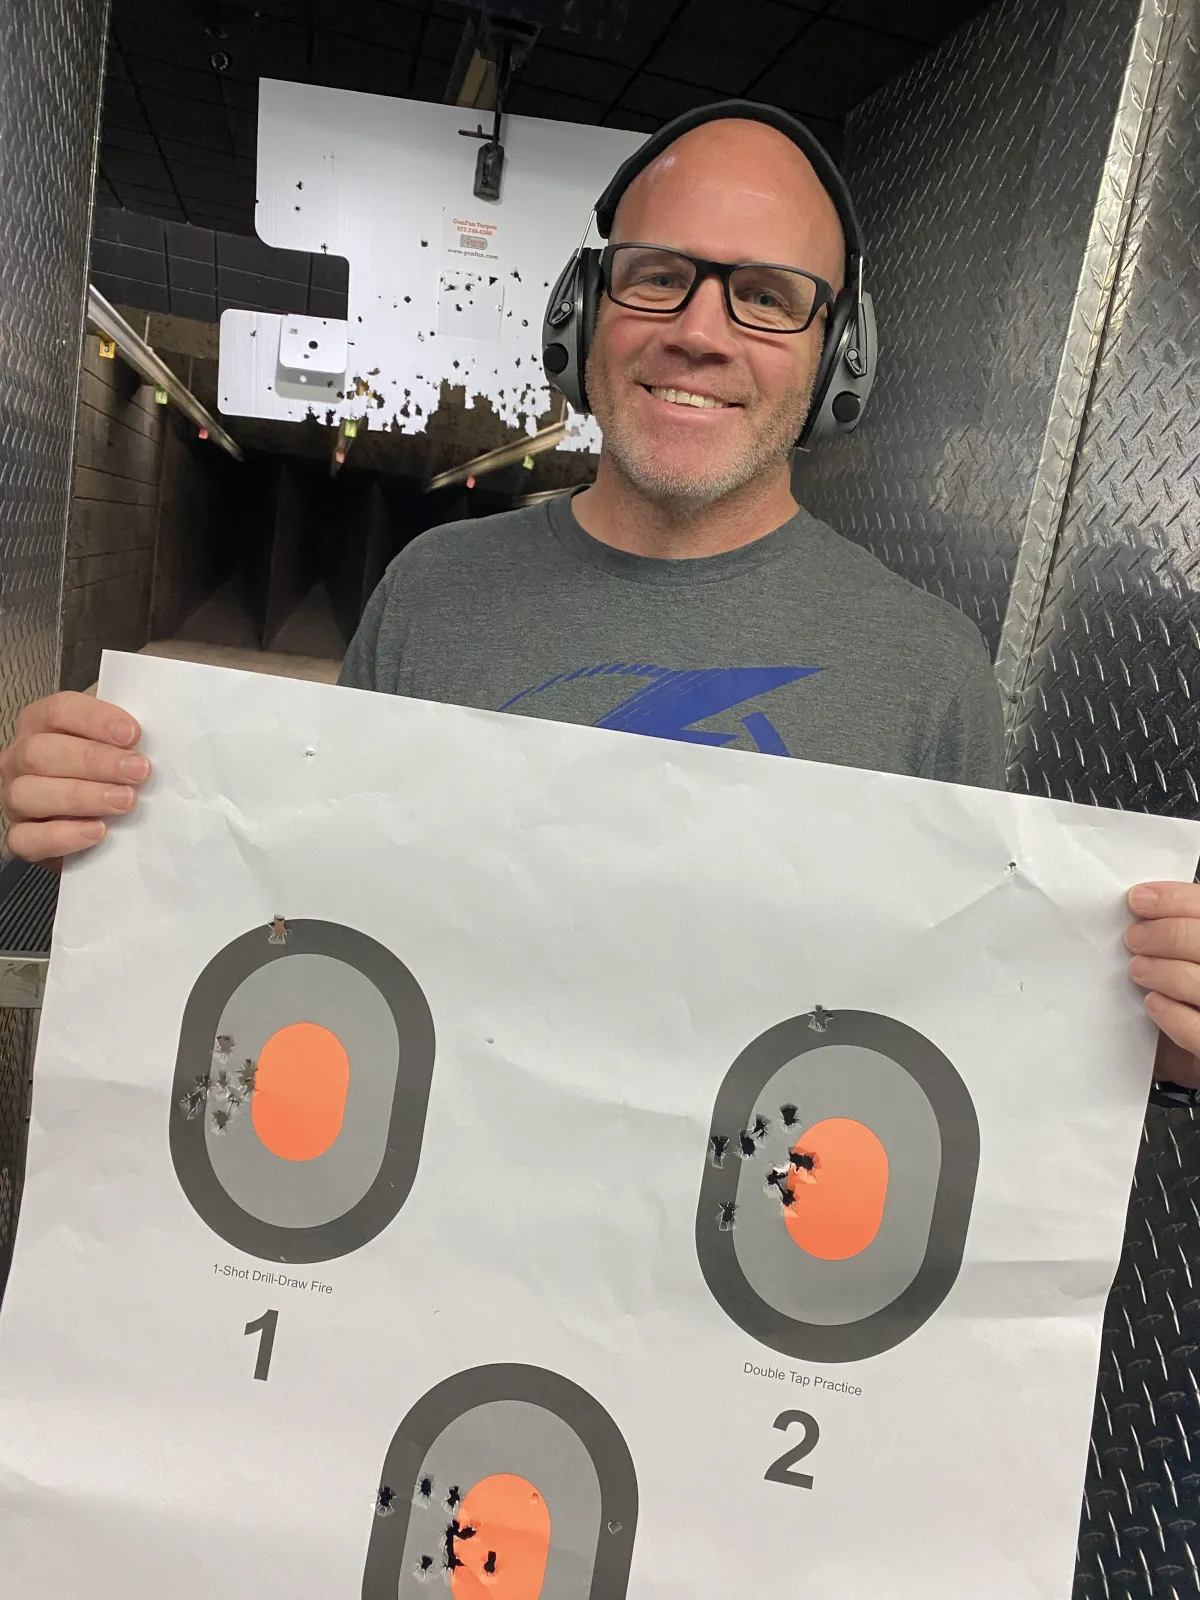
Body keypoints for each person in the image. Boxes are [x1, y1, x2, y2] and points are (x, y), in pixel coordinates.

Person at [0, 106, 1197, 1088]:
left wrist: (1156, 1023)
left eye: (770, 296)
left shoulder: (929, 669)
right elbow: (318, 918)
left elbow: (956, 1033)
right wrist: (135, 839)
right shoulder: (433, 591)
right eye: (657, 277)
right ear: (581, 315)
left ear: (841, 355)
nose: (700, 332)